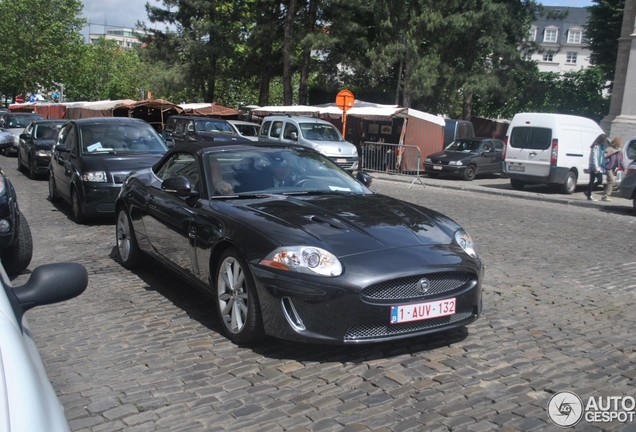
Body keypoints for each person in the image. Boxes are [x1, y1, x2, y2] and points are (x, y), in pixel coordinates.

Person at [585, 133, 607, 201]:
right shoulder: (596, 146)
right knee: (592, 180)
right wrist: (596, 167)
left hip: (599, 166)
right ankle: (589, 195)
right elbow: (594, 157)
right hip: (594, 166)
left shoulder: (601, 147)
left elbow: (601, 157)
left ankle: (588, 191)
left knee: (599, 180)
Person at [601, 136, 623, 202]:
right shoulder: (609, 149)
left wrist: (624, 168)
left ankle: (605, 195)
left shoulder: (619, 152)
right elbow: (603, 156)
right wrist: (607, 155)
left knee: (609, 182)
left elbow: (621, 161)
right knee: (612, 181)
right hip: (608, 168)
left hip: (613, 168)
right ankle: (606, 195)